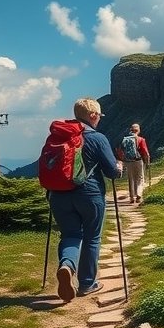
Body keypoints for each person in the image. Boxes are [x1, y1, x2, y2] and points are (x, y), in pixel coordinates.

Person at [50, 98, 123, 303]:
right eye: (98, 116)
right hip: (89, 195)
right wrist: (119, 167)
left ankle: (67, 265)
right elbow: (111, 172)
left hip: (58, 195)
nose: (99, 119)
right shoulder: (97, 138)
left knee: (70, 234)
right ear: (92, 115)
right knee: (92, 237)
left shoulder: (58, 135)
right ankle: (87, 283)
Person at [118, 123, 151, 204]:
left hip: (128, 161)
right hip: (138, 161)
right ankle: (139, 195)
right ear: (138, 130)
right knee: (140, 178)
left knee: (131, 179)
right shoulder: (140, 139)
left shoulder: (125, 139)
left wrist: (122, 161)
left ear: (131, 130)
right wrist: (147, 161)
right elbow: (145, 152)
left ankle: (132, 197)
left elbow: (120, 150)